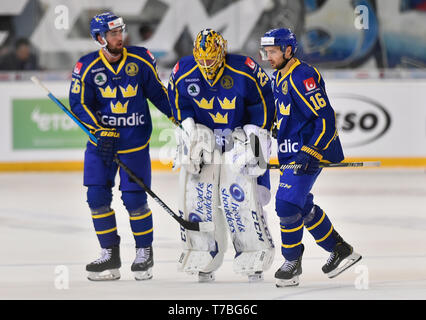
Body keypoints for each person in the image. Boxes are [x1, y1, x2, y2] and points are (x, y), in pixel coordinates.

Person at [69, 12, 174, 281]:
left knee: (135, 201)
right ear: (99, 38)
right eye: (113, 33)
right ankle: (109, 255)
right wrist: (99, 130)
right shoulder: (87, 66)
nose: (119, 37)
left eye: (120, 32)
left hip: (134, 143)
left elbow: (158, 93)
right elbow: (79, 104)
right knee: (96, 198)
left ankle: (143, 253)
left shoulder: (139, 59)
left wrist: (179, 118)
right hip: (100, 145)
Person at [168, 28, 276, 282]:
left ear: (222, 52)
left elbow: (264, 102)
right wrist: (186, 128)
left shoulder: (244, 68)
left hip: (240, 139)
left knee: (245, 199)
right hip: (204, 140)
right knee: (198, 198)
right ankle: (204, 253)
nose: (206, 65)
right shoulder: (183, 70)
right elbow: (176, 101)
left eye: (211, 58)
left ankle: (253, 253)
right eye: (201, 59)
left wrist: (257, 137)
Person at [260, 28, 362, 287]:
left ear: (288, 50)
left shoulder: (302, 75)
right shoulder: (278, 77)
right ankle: (339, 249)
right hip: (289, 154)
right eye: (266, 52)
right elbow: (282, 117)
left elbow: (326, 119)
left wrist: (312, 150)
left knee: (285, 205)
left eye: (272, 51)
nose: (268, 56)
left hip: (306, 152)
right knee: (301, 206)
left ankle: (292, 262)